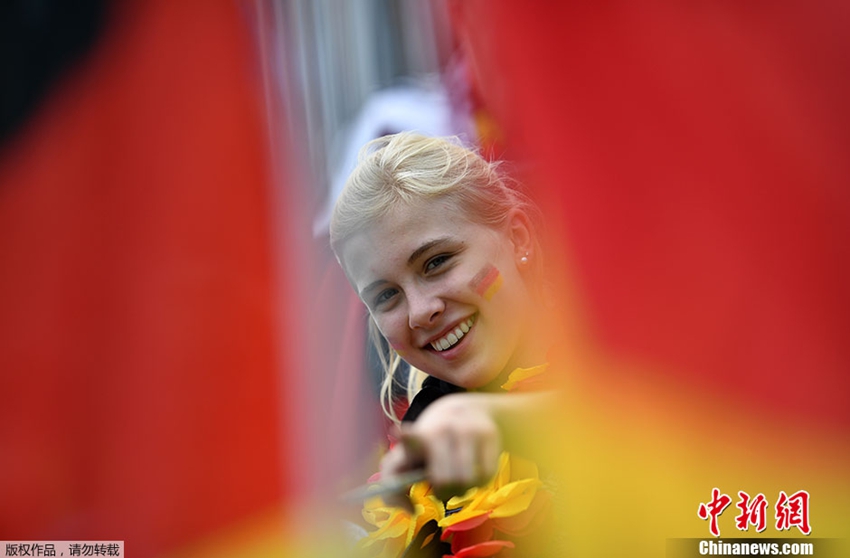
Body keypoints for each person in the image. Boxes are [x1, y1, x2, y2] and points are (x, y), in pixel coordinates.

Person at [330, 132, 560, 557]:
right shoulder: (416, 471)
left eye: (436, 262)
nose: (419, 312)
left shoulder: (631, 353)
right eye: (385, 296)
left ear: (519, 239)